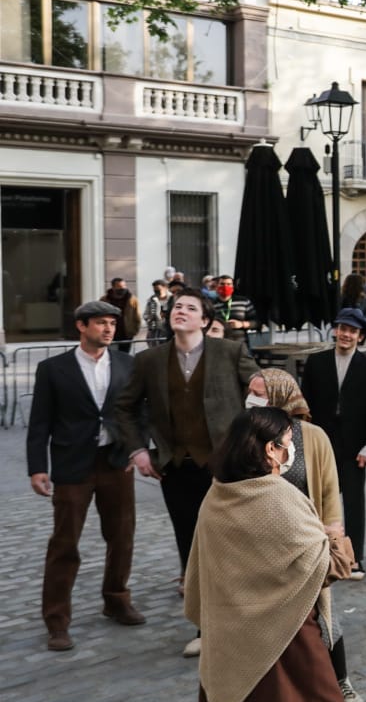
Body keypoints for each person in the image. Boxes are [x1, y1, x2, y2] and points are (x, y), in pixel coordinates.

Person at [185, 407, 350, 702]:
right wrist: (338, 543)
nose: (290, 452)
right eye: (287, 444)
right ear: (269, 450)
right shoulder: (280, 497)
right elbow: (328, 567)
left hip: (231, 635)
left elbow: (200, 574)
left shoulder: (214, 497)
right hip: (292, 630)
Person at [115, 287, 259, 657]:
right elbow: (125, 407)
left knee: (231, 544)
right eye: (176, 306)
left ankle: (247, 620)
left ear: (205, 320)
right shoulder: (149, 360)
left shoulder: (229, 352)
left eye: (190, 308)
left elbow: (261, 392)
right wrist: (138, 450)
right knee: (192, 548)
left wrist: (252, 445)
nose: (180, 311)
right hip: (176, 468)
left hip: (224, 466)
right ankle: (206, 628)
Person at [248, 368, 364, 702]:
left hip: (306, 542)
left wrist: (334, 536)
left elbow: (329, 490)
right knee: (272, 621)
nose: (250, 399)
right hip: (263, 545)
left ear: (280, 396)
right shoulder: (245, 437)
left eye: (259, 393)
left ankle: (341, 681)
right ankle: (282, 690)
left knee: (322, 614)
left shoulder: (312, 437)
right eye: (249, 392)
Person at [30, 300, 141, 652]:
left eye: (112, 323)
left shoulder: (127, 364)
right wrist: (38, 467)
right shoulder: (53, 369)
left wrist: (137, 449)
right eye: (100, 323)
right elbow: (40, 422)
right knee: (65, 544)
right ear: (81, 326)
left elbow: (139, 412)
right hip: (72, 465)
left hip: (115, 462)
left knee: (122, 536)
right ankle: (57, 620)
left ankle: (116, 599)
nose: (108, 329)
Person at [300, 308, 366, 580]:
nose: (346, 335)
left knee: (354, 503)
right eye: (343, 329)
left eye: (353, 331)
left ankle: (354, 558)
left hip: (354, 445)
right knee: (317, 500)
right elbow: (305, 404)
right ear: (335, 330)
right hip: (321, 443)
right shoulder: (316, 362)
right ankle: (318, 555)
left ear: (361, 336)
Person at [100, 276, 141, 351]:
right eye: (119, 287)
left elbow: (137, 316)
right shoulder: (105, 300)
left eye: (124, 286)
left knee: (124, 354)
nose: (123, 288)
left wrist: (134, 330)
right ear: (113, 287)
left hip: (126, 333)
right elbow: (100, 315)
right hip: (109, 332)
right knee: (110, 353)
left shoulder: (132, 299)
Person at [213, 275, 256, 341]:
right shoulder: (211, 304)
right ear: (217, 286)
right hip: (218, 343)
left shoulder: (243, 301)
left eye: (228, 284)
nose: (225, 287)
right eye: (222, 284)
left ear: (233, 286)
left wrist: (242, 324)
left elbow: (257, 322)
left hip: (240, 342)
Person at [143, 278, 173, 342]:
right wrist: (149, 319)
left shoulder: (172, 299)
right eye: (155, 291)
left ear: (165, 288)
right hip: (154, 331)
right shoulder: (152, 300)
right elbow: (145, 314)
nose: (157, 292)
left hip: (168, 331)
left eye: (159, 290)